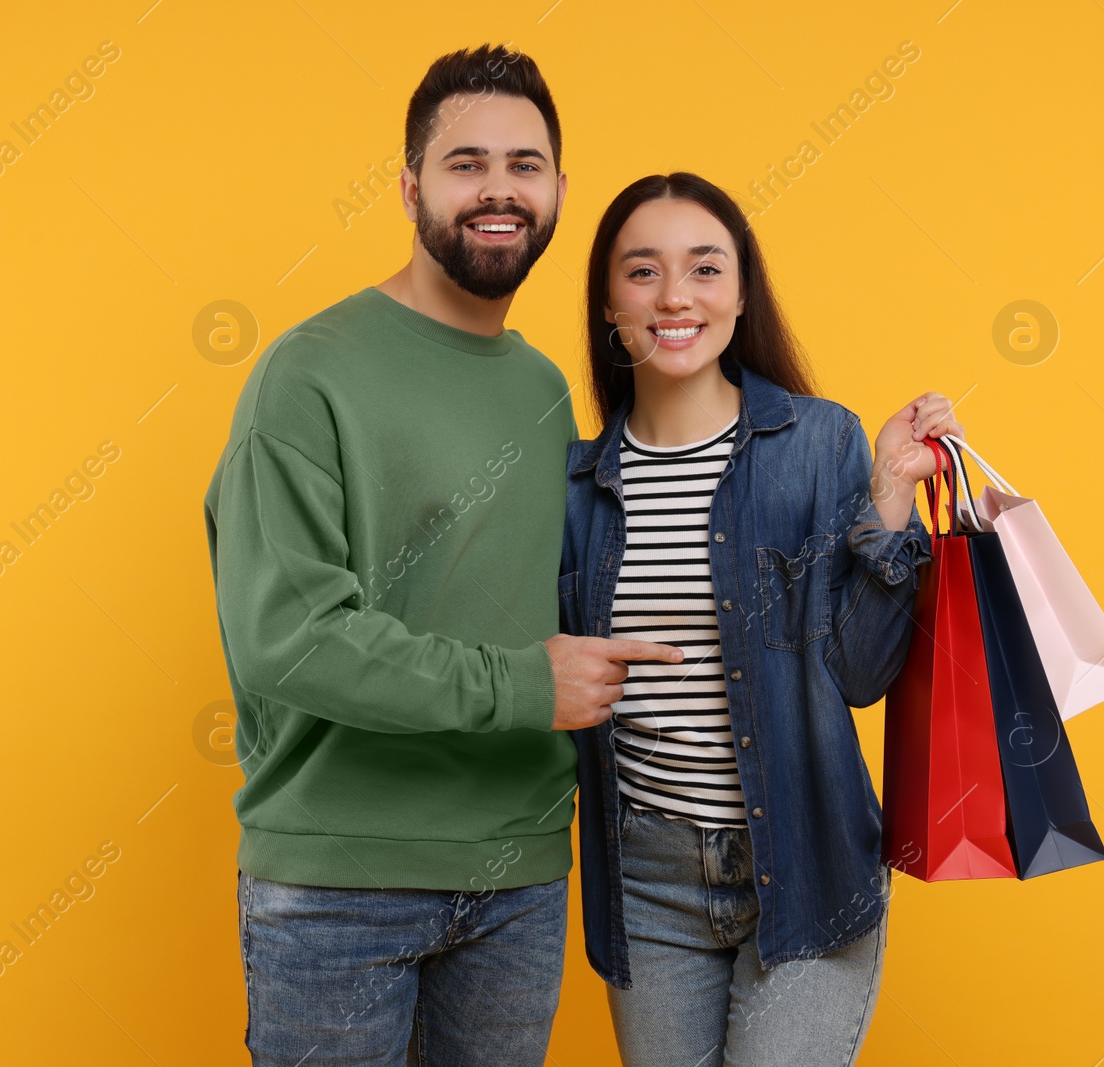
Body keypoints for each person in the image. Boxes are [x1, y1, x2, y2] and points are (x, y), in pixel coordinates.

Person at [203, 46, 682, 1066]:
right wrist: (522, 684)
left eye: (525, 164)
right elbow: (287, 642)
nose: (499, 189)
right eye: (466, 163)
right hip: (337, 890)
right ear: (411, 186)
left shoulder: (550, 388)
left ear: (558, 190)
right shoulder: (309, 374)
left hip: (519, 879)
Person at [559, 172, 965, 1066]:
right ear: (607, 302)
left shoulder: (821, 443)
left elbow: (860, 675)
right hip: (646, 882)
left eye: (705, 268)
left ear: (742, 294)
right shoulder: (575, 486)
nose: (674, 296)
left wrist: (890, 495)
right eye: (642, 271)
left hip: (808, 859)